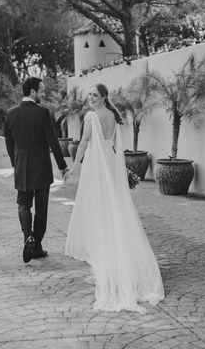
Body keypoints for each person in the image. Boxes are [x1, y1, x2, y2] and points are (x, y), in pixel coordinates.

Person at [64, 83, 164, 313]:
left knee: (99, 206)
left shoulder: (91, 117)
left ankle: (105, 252)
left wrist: (74, 166)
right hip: (108, 159)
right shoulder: (112, 115)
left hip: (96, 165)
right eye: (89, 95)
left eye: (95, 95)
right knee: (112, 206)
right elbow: (115, 147)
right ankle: (111, 248)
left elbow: (84, 143)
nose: (91, 98)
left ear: (103, 97)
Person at [4, 77, 68, 263]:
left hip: (22, 166)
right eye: (41, 90)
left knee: (23, 205)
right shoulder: (42, 113)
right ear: (32, 92)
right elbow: (53, 141)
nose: (43, 94)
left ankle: (28, 237)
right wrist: (62, 166)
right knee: (41, 210)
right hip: (42, 167)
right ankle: (37, 246)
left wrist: (14, 160)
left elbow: (8, 139)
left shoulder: (11, 113)